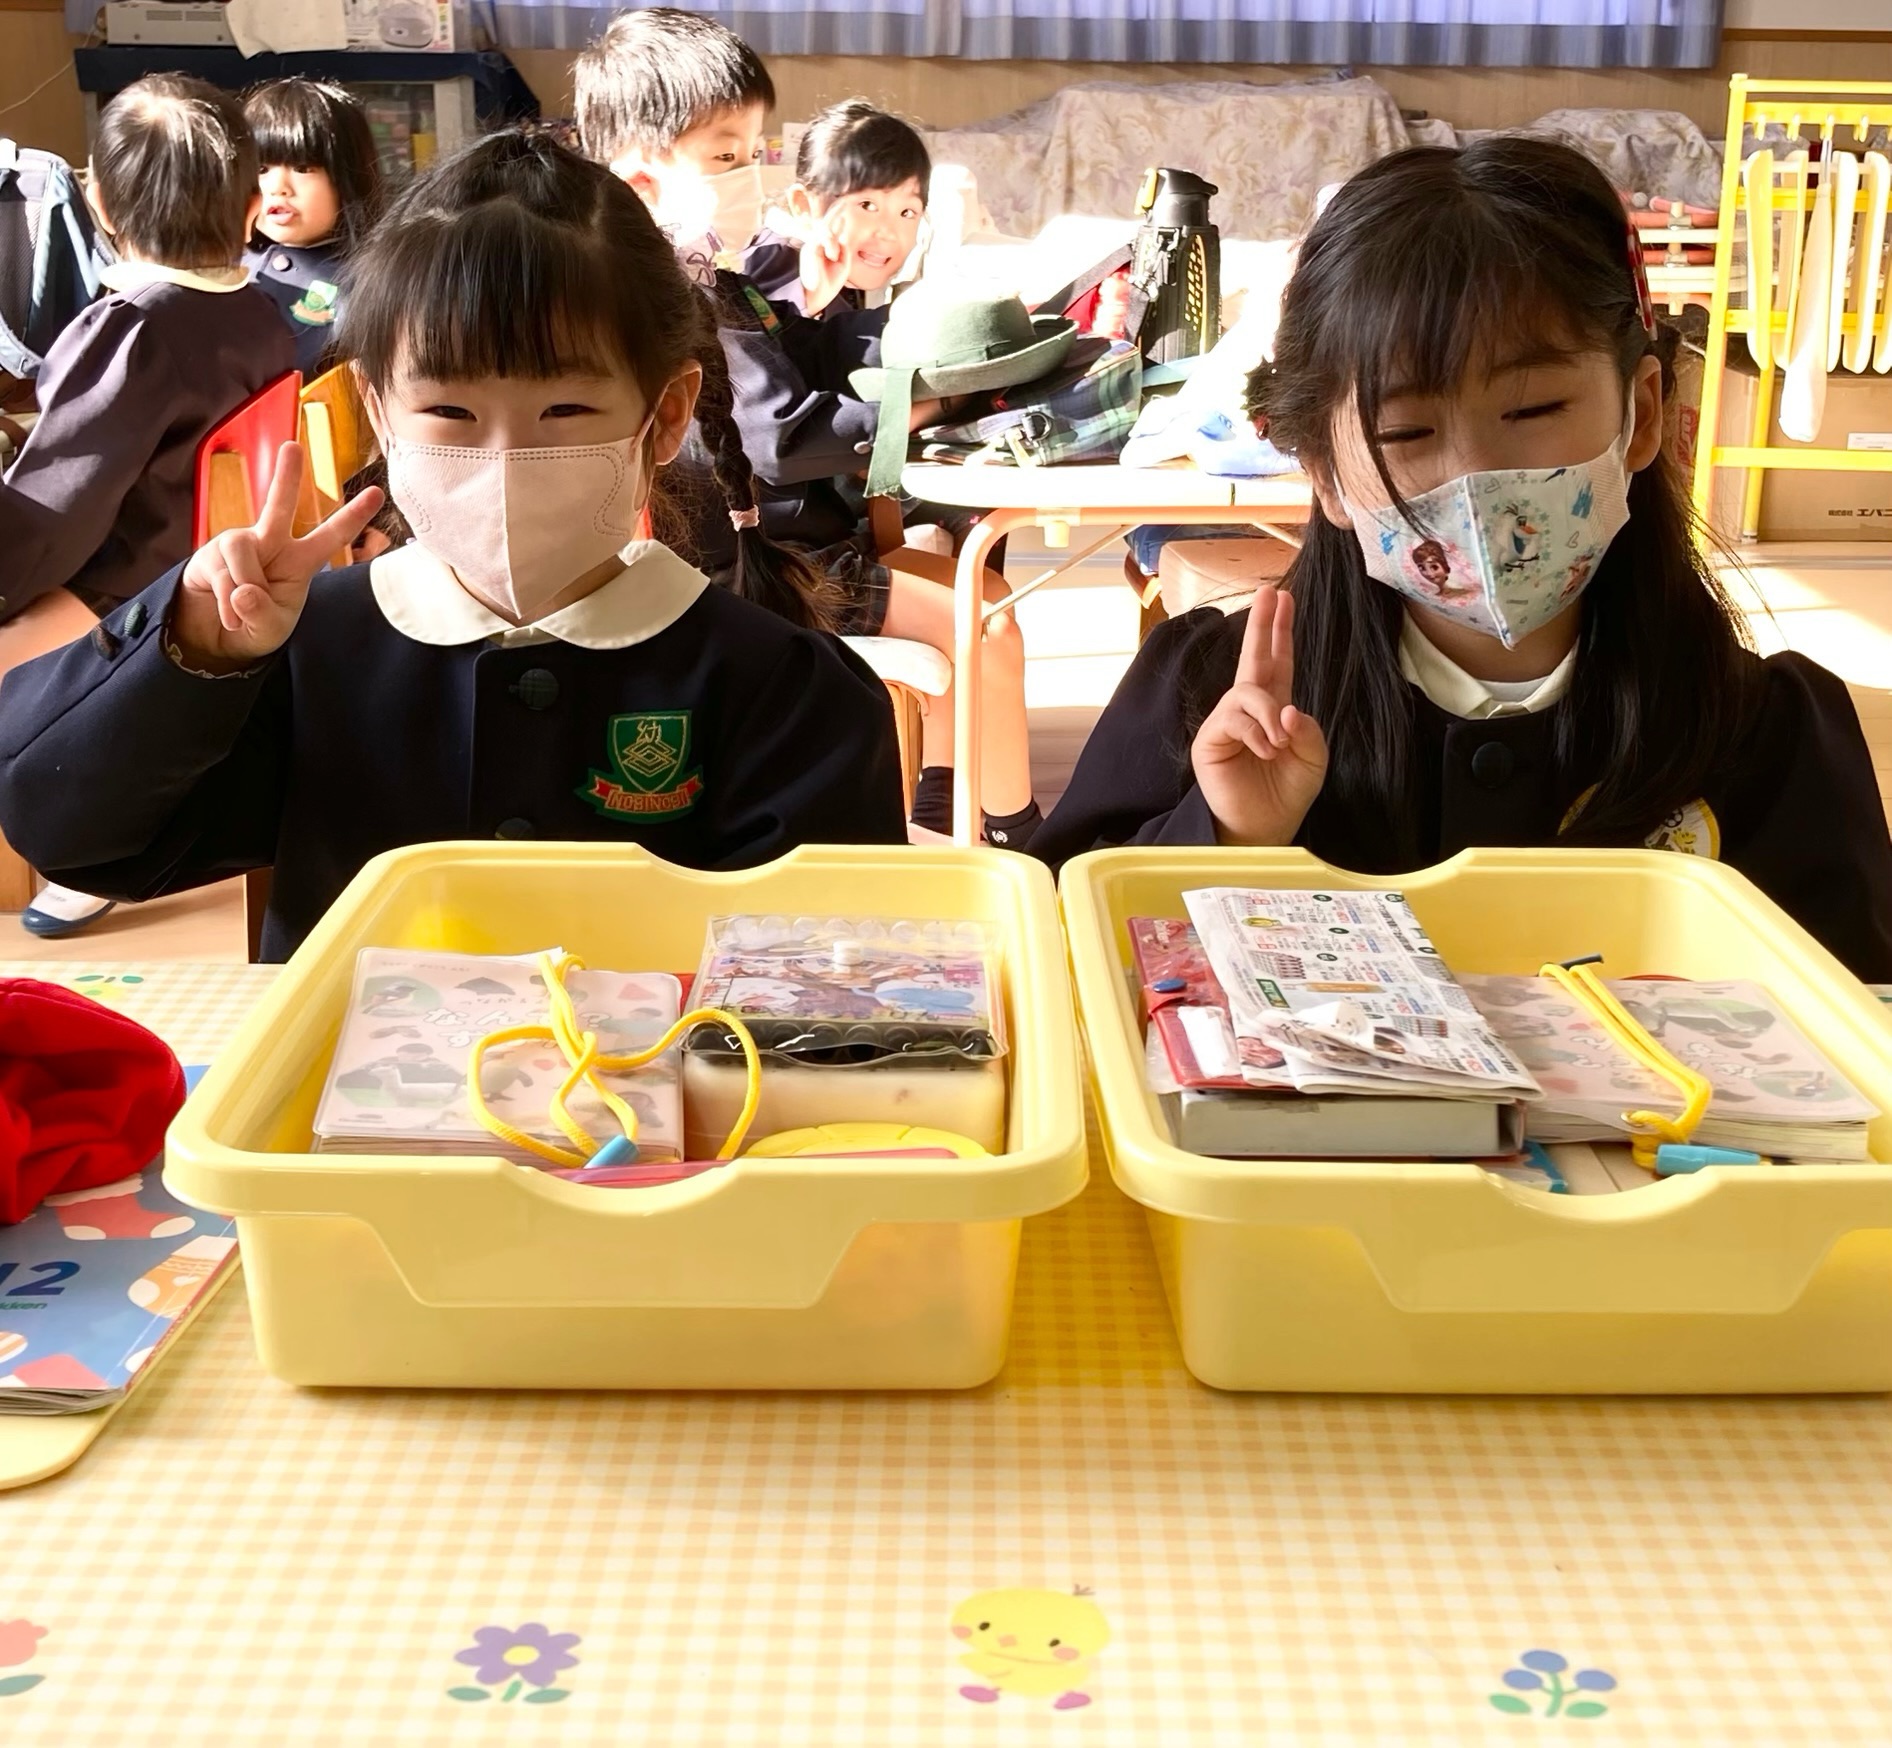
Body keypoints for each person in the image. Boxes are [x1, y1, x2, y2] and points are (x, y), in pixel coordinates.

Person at [0, 132, 906, 961]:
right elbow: (70, 833)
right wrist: (190, 652)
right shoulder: (300, 651)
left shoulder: (781, 687)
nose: (503, 460)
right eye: (450, 412)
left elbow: (831, 982)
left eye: (564, 412)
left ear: (664, 415)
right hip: (345, 1136)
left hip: (673, 1133)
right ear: (378, 411)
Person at [1032, 136, 1892, 983]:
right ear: (1325, 476)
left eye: (1534, 409)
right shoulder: (1207, 700)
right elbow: (1054, 963)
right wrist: (1225, 836)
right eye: (1406, 432)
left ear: (1644, 411)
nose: (1477, 478)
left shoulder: (1761, 733)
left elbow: (1850, 1024)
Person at [574, 12, 1038, 845]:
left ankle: (949, 806)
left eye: (754, 152)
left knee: (984, 596)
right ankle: (1011, 832)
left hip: (782, 549)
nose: (746, 176)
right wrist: (926, 404)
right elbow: (777, 439)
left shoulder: (716, 278)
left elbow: (812, 354)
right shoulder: (680, 304)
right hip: (766, 570)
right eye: (724, 156)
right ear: (639, 181)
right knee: (984, 622)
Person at [0, 72, 295, 937]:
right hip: (202, 563)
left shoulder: (130, 326)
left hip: (124, 587)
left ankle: (78, 824)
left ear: (97, 202)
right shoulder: (259, 312)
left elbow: (53, 519)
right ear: (249, 205)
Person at [242, 79, 384, 378]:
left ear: (346, 178)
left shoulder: (376, 281)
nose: (278, 188)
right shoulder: (221, 266)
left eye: (303, 168)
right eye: (262, 169)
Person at [742, 100, 930, 318]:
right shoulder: (764, 268)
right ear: (803, 205)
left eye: (907, 212)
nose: (888, 232)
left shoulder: (850, 280)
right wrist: (807, 302)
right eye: (867, 205)